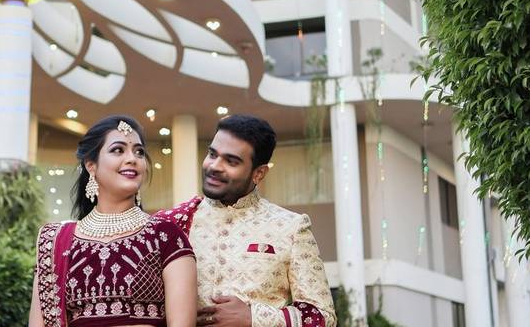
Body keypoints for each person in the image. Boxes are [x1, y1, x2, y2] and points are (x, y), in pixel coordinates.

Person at [157, 114, 336, 327]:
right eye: (212, 154)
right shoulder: (173, 223)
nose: (214, 166)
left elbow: (323, 316)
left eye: (231, 161)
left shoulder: (291, 228)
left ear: (259, 173)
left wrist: (254, 318)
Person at [29, 115, 197, 327]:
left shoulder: (166, 235)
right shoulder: (57, 242)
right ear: (91, 166)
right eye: (118, 150)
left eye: (139, 152)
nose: (132, 158)